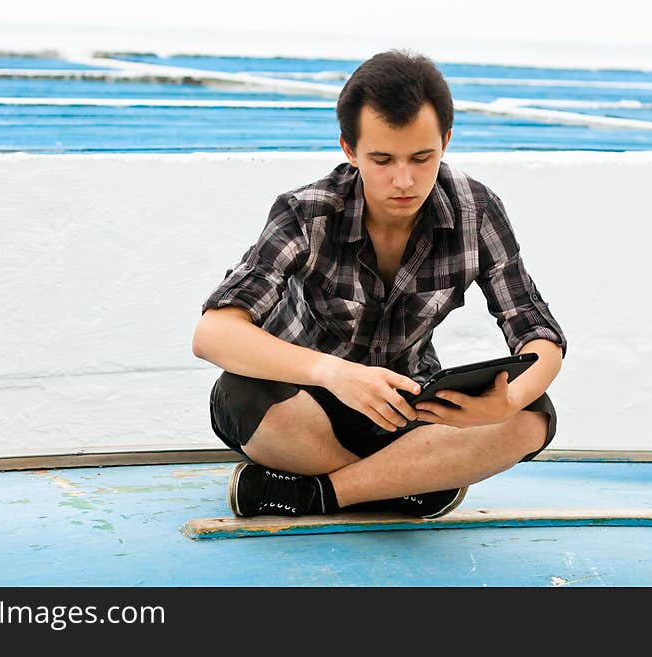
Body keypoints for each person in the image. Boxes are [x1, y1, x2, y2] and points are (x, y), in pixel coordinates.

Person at [192, 49, 567, 520]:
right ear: (350, 150)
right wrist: (334, 374)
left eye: (422, 157)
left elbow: (538, 334)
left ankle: (319, 494)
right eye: (383, 159)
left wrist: (506, 401)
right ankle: (412, 482)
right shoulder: (306, 212)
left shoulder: (477, 210)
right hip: (304, 404)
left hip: (407, 412)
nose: (404, 180)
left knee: (533, 416)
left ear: (446, 141)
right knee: (242, 395)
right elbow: (213, 333)